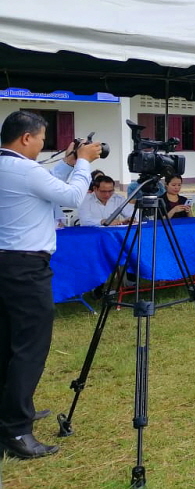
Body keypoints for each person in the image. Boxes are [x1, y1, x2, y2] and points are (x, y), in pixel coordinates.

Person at [0, 110, 102, 459]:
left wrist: (69, 163)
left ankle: (12, 411)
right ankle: (16, 430)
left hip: (6, 264)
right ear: (26, 137)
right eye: (42, 138)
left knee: (7, 344)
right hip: (27, 268)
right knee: (30, 347)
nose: (44, 145)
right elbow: (72, 197)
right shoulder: (24, 170)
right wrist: (85, 163)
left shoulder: (8, 167)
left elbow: (43, 185)